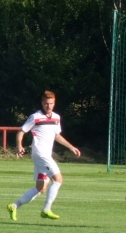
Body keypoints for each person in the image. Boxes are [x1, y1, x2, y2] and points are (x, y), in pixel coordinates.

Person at [7, 91, 81, 221]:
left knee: (40, 188)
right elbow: (21, 131)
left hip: (44, 155)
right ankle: (46, 209)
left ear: (54, 103)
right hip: (40, 154)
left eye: (51, 103)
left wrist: (71, 147)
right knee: (58, 180)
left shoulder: (56, 117)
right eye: (46, 103)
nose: (48, 106)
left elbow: (56, 135)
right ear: (42, 103)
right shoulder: (35, 117)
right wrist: (19, 145)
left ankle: (14, 206)